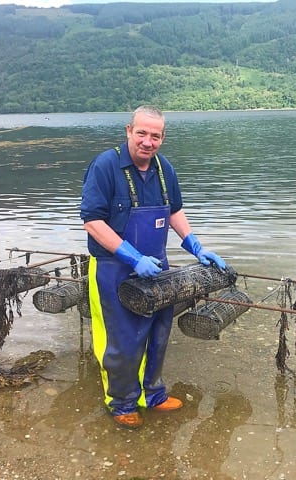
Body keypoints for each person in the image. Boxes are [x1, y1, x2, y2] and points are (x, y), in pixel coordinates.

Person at [80, 105, 226, 429]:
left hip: (157, 269)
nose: (148, 141)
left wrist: (195, 246)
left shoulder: (164, 169)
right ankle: (120, 403)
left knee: (158, 333)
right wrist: (132, 257)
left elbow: (173, 211)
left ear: (163, 138)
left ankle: (152, 395)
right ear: (129, 131)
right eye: (142, 133)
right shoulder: (105, 166)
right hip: (112, 268)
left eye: (155, 135)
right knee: (121, 340)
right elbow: (92, 221)